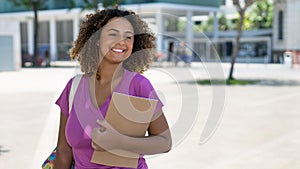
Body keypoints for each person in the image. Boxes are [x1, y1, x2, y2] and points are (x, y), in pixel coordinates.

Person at [54, 8, 172, 169]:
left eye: (128, 37)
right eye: (113, 34)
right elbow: (63, 150)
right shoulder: (74, 87)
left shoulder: (139, 85)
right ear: (96, 39)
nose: (121, 41)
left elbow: (164, 142)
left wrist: (118, 142)